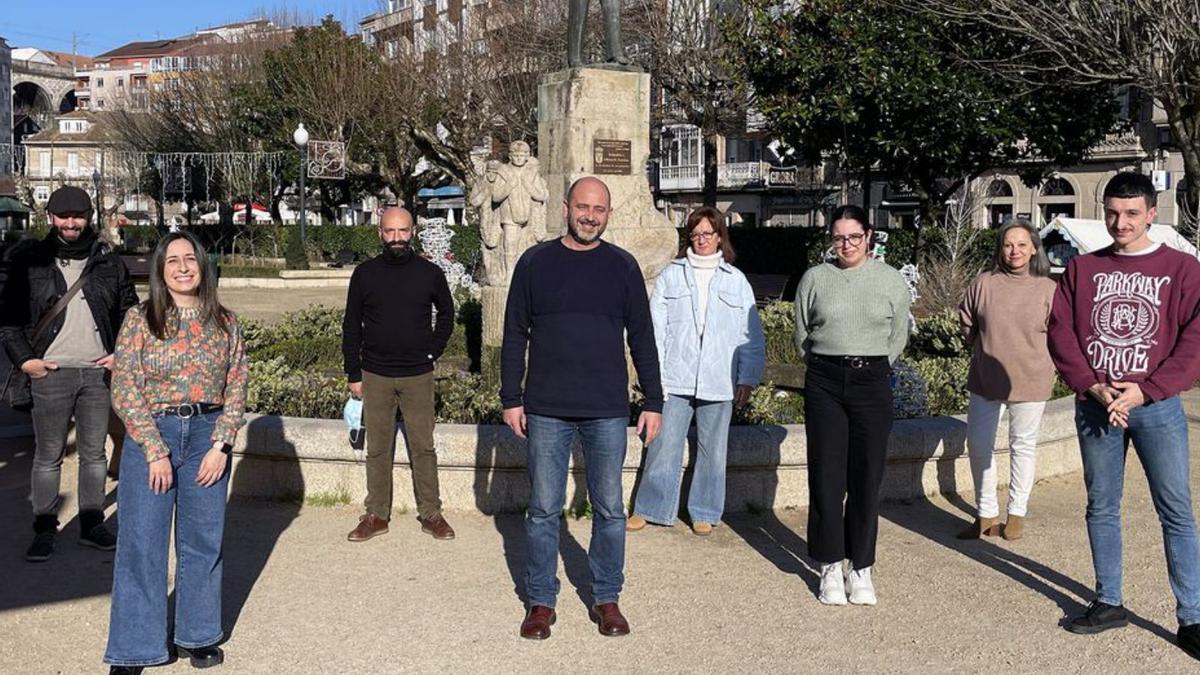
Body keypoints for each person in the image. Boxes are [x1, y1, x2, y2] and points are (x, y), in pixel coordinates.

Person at [502, 176, 663, 639]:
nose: (590, 216)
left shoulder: (623, 267)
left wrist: (653, 400)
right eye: (583, 207)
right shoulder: (535, 263)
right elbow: (515, 335)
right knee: (543, 509)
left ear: (608, 215)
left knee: (610, 509)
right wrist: (511, 397)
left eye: (599, 209)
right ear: (567, 207)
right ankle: (539, 601)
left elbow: (643, 339)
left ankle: (606, 597)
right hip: (547, 408)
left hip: (607, 408)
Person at [1047, 171, 1200, 659]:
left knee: (1175, 511)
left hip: (1155, 407)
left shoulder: (1182, 269)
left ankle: (1192, 616)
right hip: (1096, 406)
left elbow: (1195, 340)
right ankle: (1109, 600)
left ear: (1152, 213)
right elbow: (1061, 332)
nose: (1121, 222)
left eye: (1132, 213)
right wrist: (1091, 385)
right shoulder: (1082, 269)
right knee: (1101, 505)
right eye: (1113, 213)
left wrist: (1147, 390)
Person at [104, 230, 247, 672]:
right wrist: (153, 448)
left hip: (207, 435)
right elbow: (125, 386)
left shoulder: (225, 322)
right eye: (173, 261)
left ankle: (198, 634)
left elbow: (237, 382)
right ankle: (134, 646)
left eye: (191, 258)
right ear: (160, 271)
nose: (184, 267)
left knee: (203, 541)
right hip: (154, 434)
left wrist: (221, 444)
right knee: (142, 544)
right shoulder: (139, 319)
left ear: (203, 265)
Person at [0, 185, 138, 562]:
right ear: (51, 218)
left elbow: (130, 312)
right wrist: (27, 362)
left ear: (89, 218)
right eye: (64, 216)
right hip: (51, 373)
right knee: (49, 455)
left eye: (78, 216)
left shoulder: (108, 263)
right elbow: (8, 319)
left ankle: (92, 523)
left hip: (97, 374)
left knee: (94, 454)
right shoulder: (30, 260)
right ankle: (44, 527)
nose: (71, 222)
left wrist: (120, 353)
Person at [793, 204, 910, 607]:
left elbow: (899, 333)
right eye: (839, 237)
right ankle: (829, 563)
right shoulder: (815, 279)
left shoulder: (890, 280)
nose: (846, 245)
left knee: (866, 477)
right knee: (826, 476)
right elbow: (802, 332)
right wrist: (828, 363)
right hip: (825, 378)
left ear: (869, 236)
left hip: (872, 380)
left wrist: (873, 364)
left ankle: (861, 566)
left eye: (854, 237)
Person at [628, 206, 764, 535]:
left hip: (719, 377)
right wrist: (653, 378)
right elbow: (655, 329)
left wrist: (747, 376)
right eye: (696, 234)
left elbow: (750, 335)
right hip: (675, 376)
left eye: (708, 233)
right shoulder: (672, 274)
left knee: (713, 450)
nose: (702, 240)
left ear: (720, 236)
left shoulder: (736, 280)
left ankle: (704, 509)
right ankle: (651, 507)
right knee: (661, 443)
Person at [342, 207, 456, 543]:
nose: (396, 238)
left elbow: (447, 316)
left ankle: (431, 514)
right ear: (380, 233)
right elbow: (351, 326)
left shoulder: (430, 273)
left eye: (402, 231)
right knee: (378, 449)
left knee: (424, 447)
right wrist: (353, 372)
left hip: (418, 374)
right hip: (374, 374)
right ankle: (376, 514)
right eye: (390, 232)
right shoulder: (364, 274)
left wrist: (432, 351)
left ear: (413, 231)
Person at [956, 219, 1057, 541]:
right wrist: (985, 348)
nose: (1015, 251)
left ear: (1034, 250)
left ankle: (1016, 514)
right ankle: (985, 513)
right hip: (986, 377)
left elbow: (1059, 334)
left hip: (1031, 378)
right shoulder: (984, 282)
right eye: (1008, 244)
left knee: (1022, 447)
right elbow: (967, 320)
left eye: (1022, 245)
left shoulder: (1048, 288)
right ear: (1000, 248)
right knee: (979, 445)